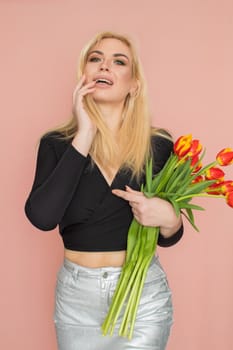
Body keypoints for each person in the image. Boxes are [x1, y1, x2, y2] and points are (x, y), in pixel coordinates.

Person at [24, 31, 183, 350]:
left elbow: (171, 235)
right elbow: (42, 218)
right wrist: (83, 135)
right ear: (84, 75)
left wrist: (169, 217)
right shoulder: (56, 144)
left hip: (142, 297)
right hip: (76, 301)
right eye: (95, 59)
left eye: (118, 61)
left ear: (134, 84)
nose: (104, 66)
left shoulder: (160, 145)